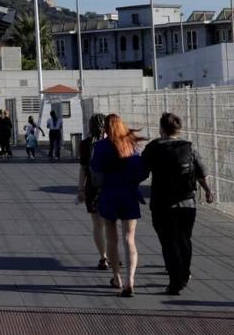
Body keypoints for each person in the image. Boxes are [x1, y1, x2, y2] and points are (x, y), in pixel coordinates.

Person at [140, 112, 216, 295]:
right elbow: (201, 174)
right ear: (179, 129)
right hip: (187, 202)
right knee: (184, 239)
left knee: (168, 242)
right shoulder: (189, 148)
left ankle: (175, 282)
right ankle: (185, 272)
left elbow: (141, 172)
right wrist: (207, 190)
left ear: (161, 129)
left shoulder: (153, 147)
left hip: (162, 203)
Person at [91, 113, 146, 296]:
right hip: (129, 194)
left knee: (112, 239)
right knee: (130, 239)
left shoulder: (101, 147)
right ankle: (130, 281)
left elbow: (96, 174)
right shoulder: (130, 144)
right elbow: (140, 170)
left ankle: (117, 278)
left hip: (109, 194)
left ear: (106, 128)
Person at [76, 113, 110, 270]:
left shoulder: (85, 144)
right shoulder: (111, 143)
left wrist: (80, 189)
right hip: (110, 188)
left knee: (97, 225)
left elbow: (83, 168)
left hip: (92, 187)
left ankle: (103, 258)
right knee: (111, 224)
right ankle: (113, 255)